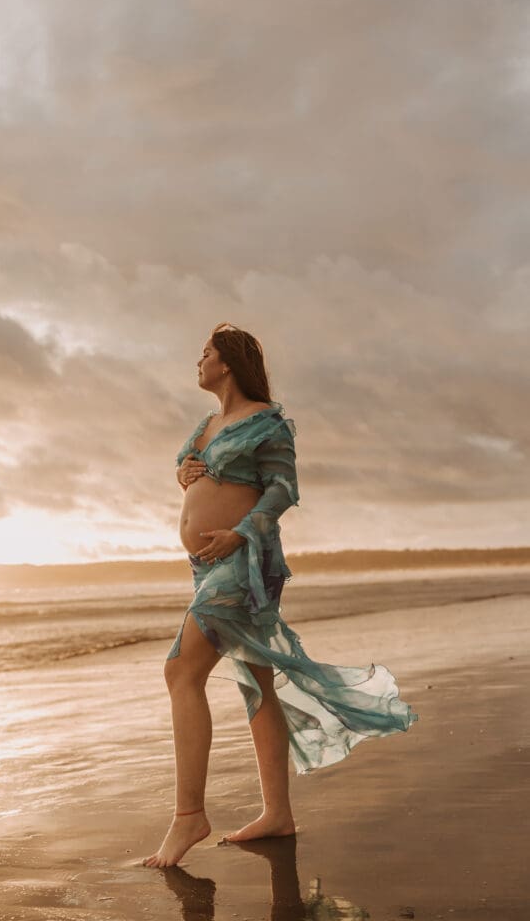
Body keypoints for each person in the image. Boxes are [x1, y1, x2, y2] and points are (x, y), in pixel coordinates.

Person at [143, 323, 417, 868]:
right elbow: (188, 468)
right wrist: (184, 472)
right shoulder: (207, 424)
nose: (197, 362)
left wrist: (241, 531)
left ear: (229, 364)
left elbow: (282, 489)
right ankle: (278, 813)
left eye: (206, 354)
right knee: (256, 680)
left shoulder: (268, 421)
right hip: (204, 567)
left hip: (244, 562)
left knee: (181, 672)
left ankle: (188, 816)